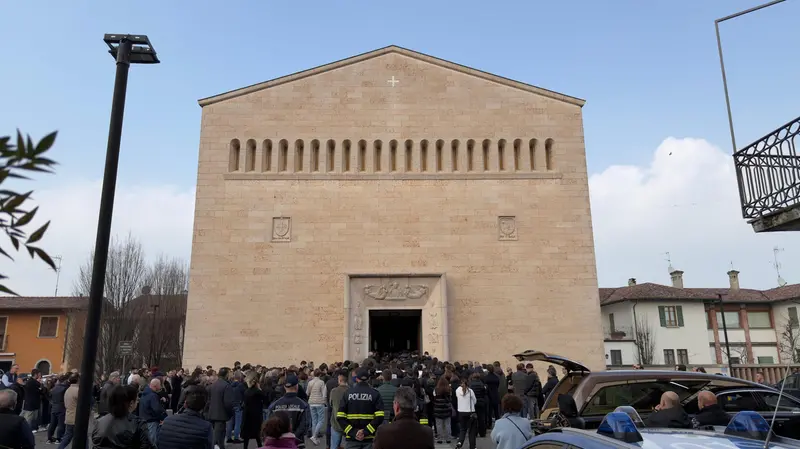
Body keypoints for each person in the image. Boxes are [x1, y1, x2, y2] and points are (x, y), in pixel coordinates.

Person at [336, 367, 384, 449]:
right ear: (368, 379)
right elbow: (380, 416)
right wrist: (366, 432)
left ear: (356, 379)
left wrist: (353, 432)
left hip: (352, 439)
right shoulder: (375, 394)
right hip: (369, 439)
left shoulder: (347, 393)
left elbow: (340, 417)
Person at [92, 384, 152, 449]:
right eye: (137, 400)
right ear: (131, 403)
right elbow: (148, 445)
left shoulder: (99, 423)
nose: (138, 402)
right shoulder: (138, 423)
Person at [158, 385, 214, 449]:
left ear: (185, 404)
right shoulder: (206, 427)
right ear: (204, 406)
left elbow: (159, 442)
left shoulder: (167, 421)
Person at [266, 374, 310, 449]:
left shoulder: (274, 405)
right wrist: (293, 436)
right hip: (297, 443)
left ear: (284, 387)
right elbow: (305, 425)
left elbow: (269, 424)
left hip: (278, 442)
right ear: (297, 386)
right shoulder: (303, 405)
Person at [208, 367, 234, 449]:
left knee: (215, 437)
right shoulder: (226, 386)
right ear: (226, 375)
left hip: (212, 414)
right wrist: (230, 413)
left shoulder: (213, 385)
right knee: (219, 439)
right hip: (221, 415)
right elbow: (228, 403)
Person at [139, 378, 168, 445]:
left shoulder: (145, 393)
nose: (161, 387)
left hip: (144, 419)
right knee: (152, 441)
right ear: (155, 386)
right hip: (151, 421)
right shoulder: (153, 396)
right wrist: (165, 418)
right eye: (160, 385)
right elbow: (157, 409)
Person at [240, 371, 264, 449]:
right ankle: (260, 446)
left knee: (247, 435)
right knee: (257, 434)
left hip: (247, 414)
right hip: (256, 414)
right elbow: (265, 399)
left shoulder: (247, 391)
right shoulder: (258, 392)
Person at [57, 373, 80, 449]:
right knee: (82, 437)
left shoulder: (68, 390)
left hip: (69, 416)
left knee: (67, 436)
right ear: (78, 380)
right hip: (76, 417)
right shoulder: (78, 390)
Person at [328, 373, 349, 449]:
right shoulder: (350, 390)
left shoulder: (334, 391)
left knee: (334, 445)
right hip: (348, 423)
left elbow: (331, 404)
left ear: (340, 380)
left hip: (336, 422)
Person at [454, 377, 477, 449]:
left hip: (461, 412)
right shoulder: (470, 391)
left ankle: (459, 443)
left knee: (462, 429)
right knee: (472, 430)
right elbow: (475, 401)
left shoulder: (457, 390)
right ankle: (472, 446)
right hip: (470, 412)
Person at [306, 369, 326, 445]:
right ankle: (314, 436)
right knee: (321, 420)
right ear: (320, 374)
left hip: (311, 402)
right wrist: (324, 401)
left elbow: (307, 393)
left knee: (314, 420)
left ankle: (314, 437)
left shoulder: (310, 382)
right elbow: (324, 394)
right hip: (319, 402)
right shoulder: (321, 382)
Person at [47, 374, 68, 443]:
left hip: (54, 407)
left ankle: (49, 438)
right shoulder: (65, 388)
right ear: (65, 380)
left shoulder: (54, 388)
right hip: (61, 407)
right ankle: (59, 438)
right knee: (61, 424)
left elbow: (50, 396)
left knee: (53, 423)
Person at [226, 370, 245, 444]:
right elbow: (244, 395)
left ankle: (228, 437)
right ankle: (236, 437)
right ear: (240, 377)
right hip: (238, 404)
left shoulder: (229, 385)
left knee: (229, 422)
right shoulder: (241, 385)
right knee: (238, 422)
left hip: (230, 405)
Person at [432, 377, 452, 445]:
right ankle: (448, 438)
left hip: (438, 408)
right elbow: (450, 398)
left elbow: (434, 397)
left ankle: (440, 439)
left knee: (439, 425)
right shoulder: (449, 389)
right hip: (447, 408)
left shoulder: (436, 389)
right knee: (448, 424)